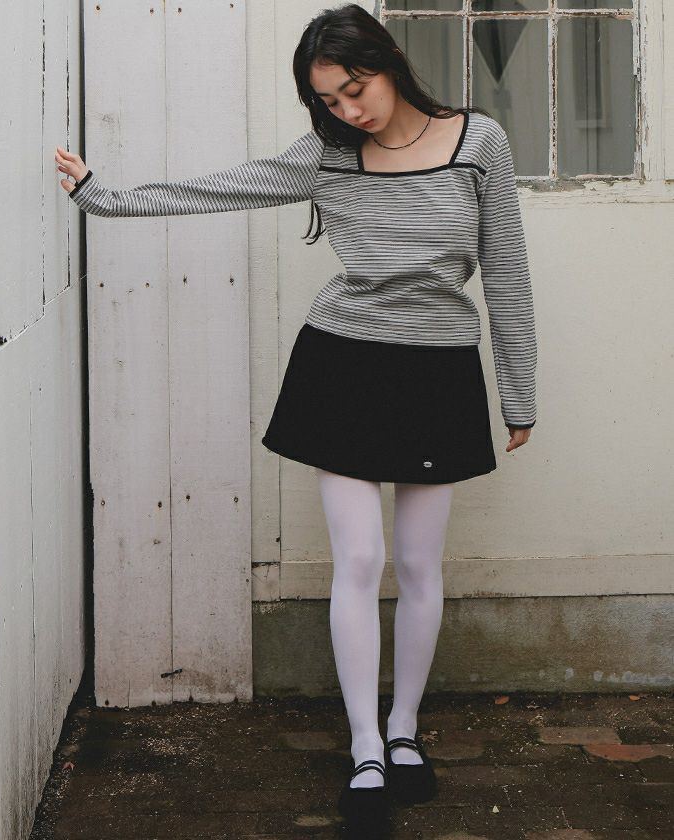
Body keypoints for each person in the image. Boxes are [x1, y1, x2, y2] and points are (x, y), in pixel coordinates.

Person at [56, 3, 536, 835]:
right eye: (330, 100)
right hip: (342, 365)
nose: (349, 110)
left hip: (438, 372)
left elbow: (507, 271)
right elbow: (221, 187)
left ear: (389, 62)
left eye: (356, 89)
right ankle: (365, 749)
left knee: (419, 564)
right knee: (360, 558)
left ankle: (404, 731)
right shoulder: (327, 155)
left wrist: (518, 392)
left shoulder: (479, 143)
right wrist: (104, 197)